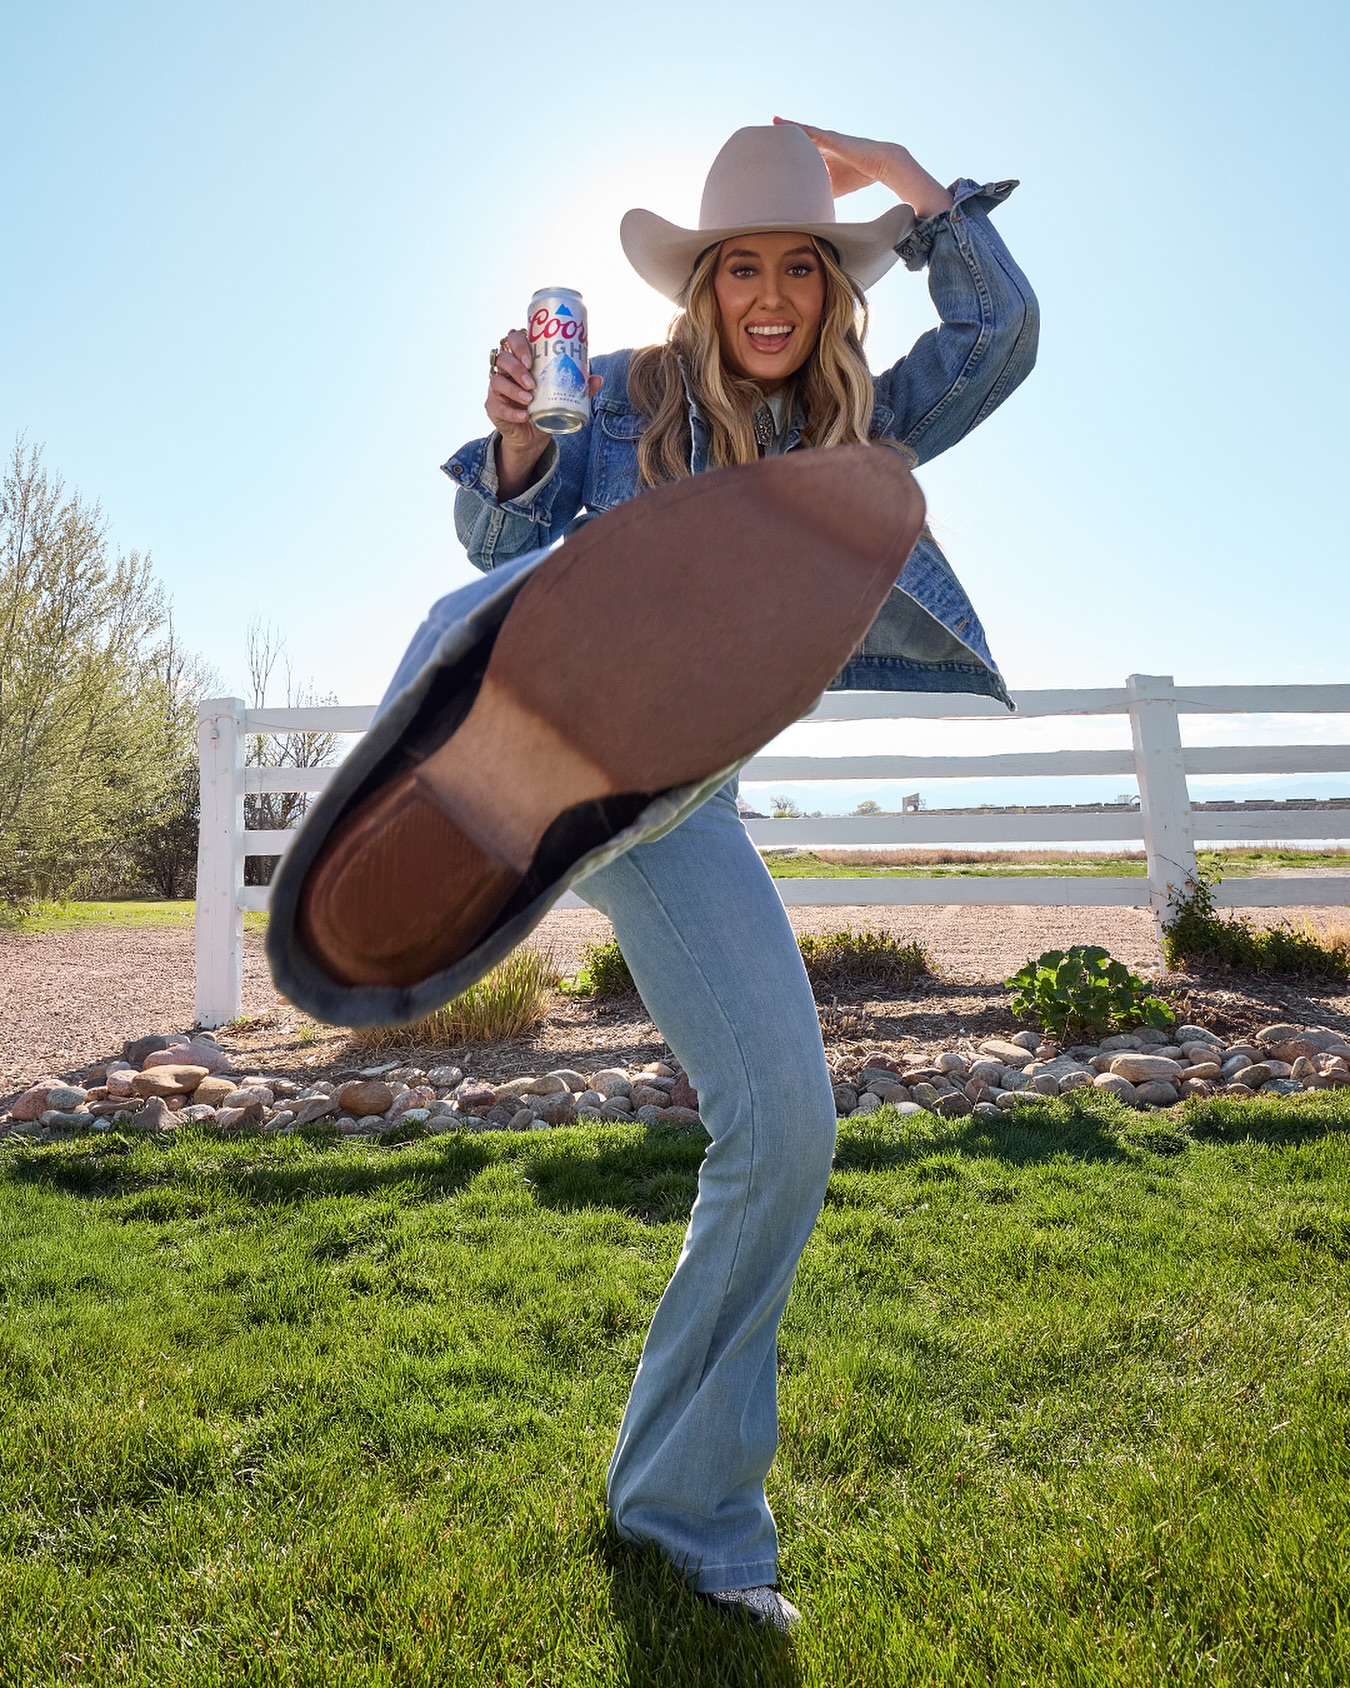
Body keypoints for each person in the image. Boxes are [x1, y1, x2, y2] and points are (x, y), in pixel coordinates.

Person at [443, 119, 1038, 1633]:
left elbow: (999, 335)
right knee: (500, 602)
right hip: (588, 751)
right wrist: (518, 449)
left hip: (689, 801)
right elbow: (502, 533)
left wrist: (907, 182)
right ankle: (447, 769)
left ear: (834, 293)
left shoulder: (858, 431)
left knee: (782, 1132)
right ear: (700, 286)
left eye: (800, 269)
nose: (769, 296)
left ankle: (676, 1506)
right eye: (740, 269)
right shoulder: (622, 395)